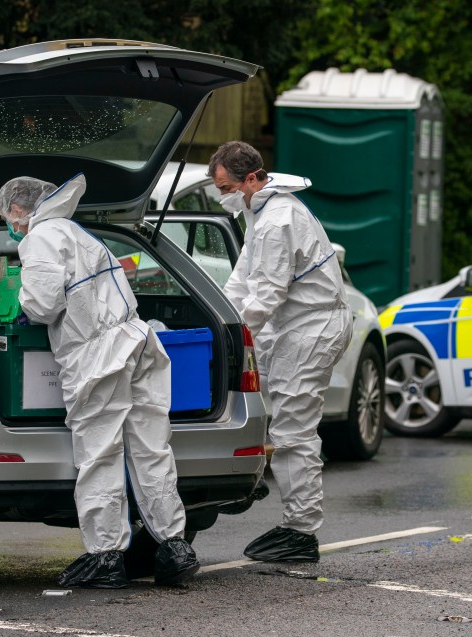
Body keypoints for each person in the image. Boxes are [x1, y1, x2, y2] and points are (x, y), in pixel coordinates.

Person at [0, 173, 199, 588]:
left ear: (19, 209)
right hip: (139, 341)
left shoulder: (40, 237)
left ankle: (106, 556)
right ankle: (175, 546)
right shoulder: (77, 232)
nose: (11, 225)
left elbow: (42, 304)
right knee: (150, 450)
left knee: (99, 453)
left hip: (99, 356)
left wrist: (16, 302)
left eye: (9, 217)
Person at [208, 141, 352, 562]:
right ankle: (252, 480)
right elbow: (242, 278)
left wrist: (234, 333)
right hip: (295, 324)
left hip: (310, 327)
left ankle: (300, 531)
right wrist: (220, 315)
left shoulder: (277, 220)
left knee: (294, 431)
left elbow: (267, 294)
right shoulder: (261, 212)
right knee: (259, 402)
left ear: (251, 179)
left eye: (225, 186)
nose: (223, 195)